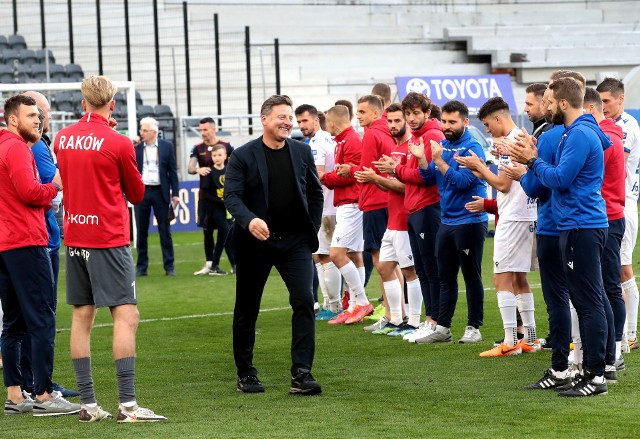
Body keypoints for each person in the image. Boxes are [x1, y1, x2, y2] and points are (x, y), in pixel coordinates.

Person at [54, 76, 167, 421]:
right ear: (113, 104)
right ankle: (128, 406)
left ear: (82, 102)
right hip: (108, 238)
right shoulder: (118, 143)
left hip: (74, 235)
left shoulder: (62, 138)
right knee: (126, 315)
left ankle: (88, 405)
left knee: (81, 316)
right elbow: (135, 193)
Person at [507, 77, 611, 397]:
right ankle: (591, 370)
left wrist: (531, 162)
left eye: (550, 101)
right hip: (574, 224)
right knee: (582, 300)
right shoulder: (572, 132)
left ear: (563, 103)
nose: (546, 106)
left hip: (582, 225)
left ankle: (596, 375)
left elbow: (560, 179)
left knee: (589, 302)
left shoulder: (579, 133)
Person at [224, 95, 324, 395]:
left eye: (290, 117)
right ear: (264, 119)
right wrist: (249, 220)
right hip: (255, 243)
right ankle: (246, 373)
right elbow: (232, 196)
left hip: (295, 243)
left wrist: (311, 229)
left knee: (304, 301)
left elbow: (316, 194)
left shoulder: (301, 152)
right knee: (247, 308)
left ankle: (302, 373)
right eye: (281, 116)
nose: (288, 122)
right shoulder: (243, 155)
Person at [0, 94, 79, 416]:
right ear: (13, 119)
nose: (38, 120)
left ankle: (16, 395)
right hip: (26, 241)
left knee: (14, 323)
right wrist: (56, 185)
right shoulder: (17, 147)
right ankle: (45, 395)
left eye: (39, 115)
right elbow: (31, 192)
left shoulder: (5, 145)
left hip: (7, 242)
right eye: (31, 115)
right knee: (42, 318)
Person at [455, 97, 539, 357]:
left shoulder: (510, 142)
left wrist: (479, 166)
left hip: (513, 217)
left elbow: (503, 184)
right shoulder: (514, 140)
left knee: (501, 278)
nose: (487, 129)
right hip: (524, 215)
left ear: (498, 118)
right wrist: (481, 169)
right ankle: (531, 338)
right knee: (519, 278)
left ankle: (510, 341)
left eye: (488, 124)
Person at [410, 100, 488, 345]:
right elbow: (430, 178)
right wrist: (423, 160)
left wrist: (440, 161)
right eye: (444, 121)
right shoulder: (442, 145)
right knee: (445, 276)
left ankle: (474, 327)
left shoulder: (473, 148)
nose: (446, 126)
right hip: (447, 220)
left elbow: (462, 182)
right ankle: (443, 328)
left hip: (470, 221)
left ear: (465, 122)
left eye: (452, 122)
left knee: (471, 275)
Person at [20, 91, 79, 398]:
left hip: (34, 237)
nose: (46, 119)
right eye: (40, 114)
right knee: (41, 314)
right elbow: (53, 188)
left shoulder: (22, 146)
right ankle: (39, 385)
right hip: (41, 239)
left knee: (23, 315)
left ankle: (23, 385)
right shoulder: (37, 147)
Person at [374, 92, 444, 341]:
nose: (411, 119)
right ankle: (427, 320)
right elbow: (412, 176)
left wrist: (396, 170)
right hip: (414, 208)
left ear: (427, 113)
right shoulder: (417, 137)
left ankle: (434, 322)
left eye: (416, 113)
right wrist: (394, 170)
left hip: (427, 207)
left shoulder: (433, 135)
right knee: (423, 269)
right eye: (408, 114)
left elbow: (428, 178)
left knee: (429, 269)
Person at [354, 103, 422, 336]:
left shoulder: (412, 148)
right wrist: (379, 176)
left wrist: (376, 178)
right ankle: (395, 317)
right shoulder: (395, 148)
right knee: (384, 267)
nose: (393, 125)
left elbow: (407, 187)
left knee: (410, 271)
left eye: (398, 121)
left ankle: (413, 322)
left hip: (404, 219)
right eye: (390, 121)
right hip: (392, 219)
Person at [334, 95, 396, 324]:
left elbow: (366, 171)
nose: (357, 116)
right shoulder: (385, 131)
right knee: (390, 262)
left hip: (375, 200)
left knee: (383, 263)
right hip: (385, 200)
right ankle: (393, 314)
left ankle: (392, 315)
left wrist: (348, 170)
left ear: (376, 113)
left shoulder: (372, 133)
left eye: (361, 112)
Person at [583, 87, 626, 382]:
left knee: (608, 288)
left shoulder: (606, 138)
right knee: (606, 287)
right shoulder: (609, 135)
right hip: (609, 216)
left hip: (607, 217)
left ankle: (614, 352)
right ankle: (611, 351)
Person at [597, 77, 640, 351]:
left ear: (620, 99)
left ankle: (630, 333)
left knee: (622, 269)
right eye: (599, 102)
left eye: (607, 101)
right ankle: (623, 333)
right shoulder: (610, 126)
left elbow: (614, 165)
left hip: (623, 205)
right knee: (612, 270)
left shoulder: (626, 127)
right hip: (611, 205)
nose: (603, 107)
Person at [295, 104, 340, 320]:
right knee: (321, 256)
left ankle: (334, 305)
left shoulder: (317, 143)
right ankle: (328, 303)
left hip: (325, 206)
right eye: (299, 122)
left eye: (305, 121)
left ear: (316, 120)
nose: (301, 125)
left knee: (325, 256)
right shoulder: (327, 140)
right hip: (329, 204)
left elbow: (316, 175)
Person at [321, 105, 366, 322]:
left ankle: (362, 302)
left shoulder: (352, 140)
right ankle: (356, 305)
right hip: (348, 203)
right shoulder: (343, 141)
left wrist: (324, 177)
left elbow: (353, 175)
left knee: (336, 254)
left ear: (332, 122)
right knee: (354, 255)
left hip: (352, 203)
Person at [134, 117, 180, 277]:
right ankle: (141, 267)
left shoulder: (167, 147)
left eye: (145, 130)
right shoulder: (137, 147)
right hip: (142, 192)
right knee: (141, 230)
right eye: (141, 129)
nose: (142, 133)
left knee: (164, 230)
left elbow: (172, 171)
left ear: (154, 132)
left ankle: (169, 266)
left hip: (161, 192)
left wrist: (175, 194)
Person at [189, 117, 235, 275]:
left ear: (213, 129)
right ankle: (210, 264)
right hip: (206, 197)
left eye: (205, 130)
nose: (202, 133)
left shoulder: (227, 146)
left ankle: (224, 264)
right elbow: (190, 167)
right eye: (200, 130)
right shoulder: (198, 148)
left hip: (225, 199)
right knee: (207, 231)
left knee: (225, 231)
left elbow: (237, 165)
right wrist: (196, 170)